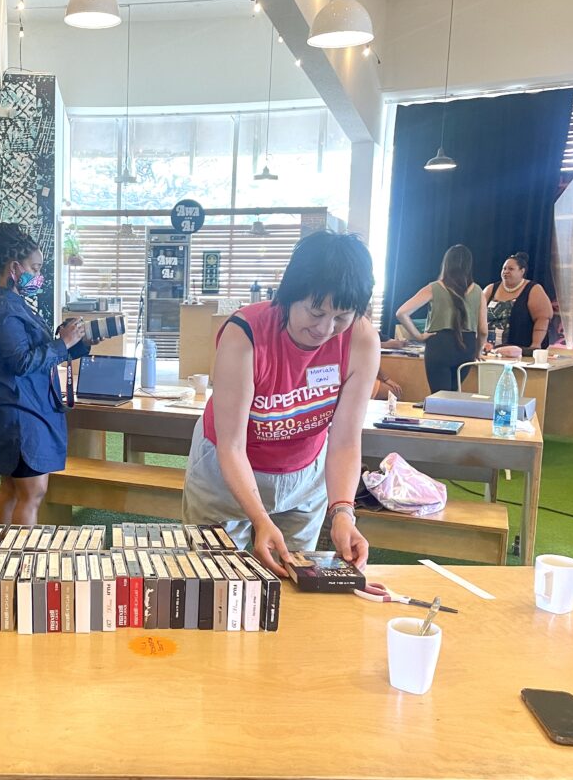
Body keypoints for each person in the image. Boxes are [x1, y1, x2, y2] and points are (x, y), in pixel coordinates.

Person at [182, 230, 378, 577]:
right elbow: (231, 445)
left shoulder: (360, 339)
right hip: (227, 469)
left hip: (304, 475)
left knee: (293, 580)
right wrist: (259, 518)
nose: (325, 329)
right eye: (315, 312)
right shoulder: (245, 333)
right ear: (289, 296)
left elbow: (345, 438)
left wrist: (343, 511)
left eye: (341, 317)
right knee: (212, 576)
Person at [0, 223, 90, 525]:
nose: (39, 275)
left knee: (13, 490)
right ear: (15, 267)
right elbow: (22, 362)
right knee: (32, 491)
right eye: (35, 267)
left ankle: (0, 558)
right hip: (20, 412)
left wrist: (76, 344)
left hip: (22, 407)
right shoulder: (5, 309)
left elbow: (39, 354)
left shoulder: (14, 304)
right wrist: (62, 342)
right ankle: (21, 565)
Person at [396, 245, 487, 393]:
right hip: (467, 347)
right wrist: (478, 350)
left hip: (440, 345)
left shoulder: (434, 288)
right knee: (453, 395)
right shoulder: (478, 291)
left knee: (439, 398)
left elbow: (402, 312)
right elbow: (483, 330)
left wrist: (418, 336)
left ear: (446, 263)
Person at [482, 252, 554, 355]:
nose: (506, 272)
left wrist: (535, 345)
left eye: (510, 269)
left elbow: (543, 318)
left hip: (519, 351)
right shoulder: (491, 289)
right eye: (504, 268)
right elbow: (476, 315)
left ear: (522, 271)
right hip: (489, 350)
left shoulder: (533, 289)